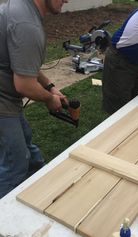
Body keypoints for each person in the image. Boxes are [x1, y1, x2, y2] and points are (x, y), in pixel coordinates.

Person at [0, 0, 69, 198]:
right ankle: (6, 220)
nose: (67, 0)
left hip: (7, 98)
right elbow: (24, 85)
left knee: (27, 145)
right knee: (15, 164)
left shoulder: (21, 8)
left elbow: (23, 62)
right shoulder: (27, 25)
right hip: (3, 101)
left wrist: (50, 87)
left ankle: (39, 186)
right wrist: (49, 99)